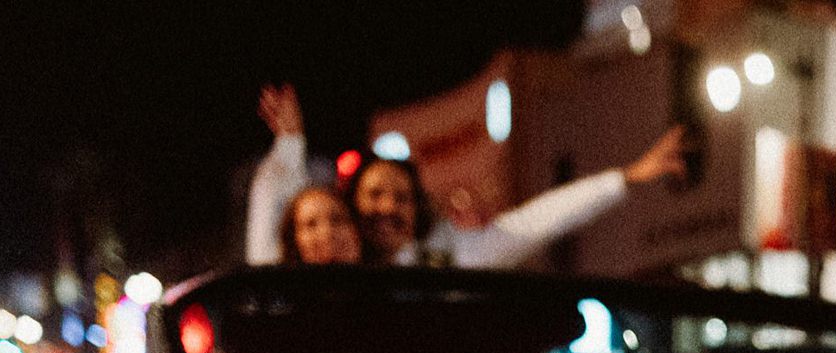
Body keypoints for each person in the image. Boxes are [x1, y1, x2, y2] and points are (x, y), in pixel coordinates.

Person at [245, 83, 688, 269]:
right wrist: (288, 145)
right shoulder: (314, 266)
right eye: (376, 194)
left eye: (402, 198)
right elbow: (270, 218)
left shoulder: (443, 257)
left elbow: (535, 223)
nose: (390, 208)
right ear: (351, 206)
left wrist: (627, 178)